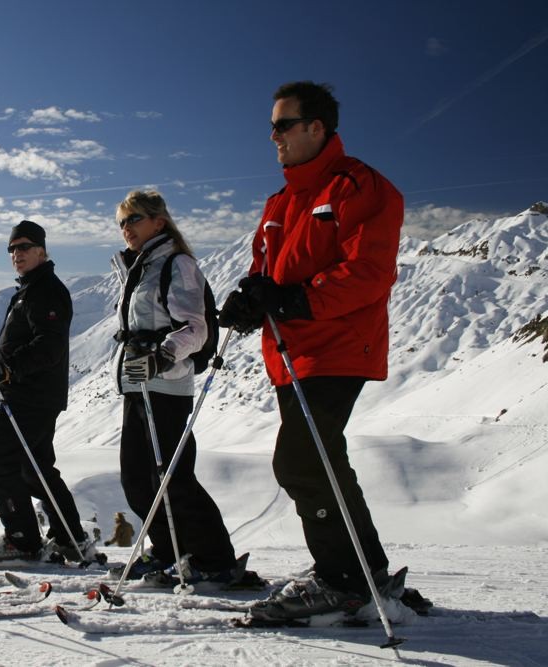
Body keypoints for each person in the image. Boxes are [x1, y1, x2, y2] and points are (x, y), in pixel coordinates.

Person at [218, 81, 404, 621]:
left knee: (299, 461)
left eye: (282, 124)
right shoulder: (280, 201)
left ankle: (343, 581)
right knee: (322, 460)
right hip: (291, 353)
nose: (272, 136)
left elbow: (369, 273)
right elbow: (267, 272)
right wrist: (252, 299)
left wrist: (294, 298)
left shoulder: (360, 186)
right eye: (271, 126)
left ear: (316, 127)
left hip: (338, 344)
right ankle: (367, 571)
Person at [111, 190, 259, 586]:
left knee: (171, 476)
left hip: (165, 384)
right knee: (138, 480)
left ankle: (215, 559)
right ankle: (171, 551)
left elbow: (196, 327)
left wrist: (162, 355)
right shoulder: (141, 267)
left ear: (159, 222)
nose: (126, 228)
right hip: (138, 381)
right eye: (122, 222)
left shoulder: (177, 264)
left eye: (134, 219)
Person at [0, 220, 97, 565]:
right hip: (27, 393)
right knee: (34, 468)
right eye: (11, 249)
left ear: (41, 250)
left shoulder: (46, 291)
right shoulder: (29, 290)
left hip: (32, 397)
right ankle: (70, 538)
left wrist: (6, 371)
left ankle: (22, 540)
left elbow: (49, 345)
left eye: (23, 247)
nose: (16, 254)